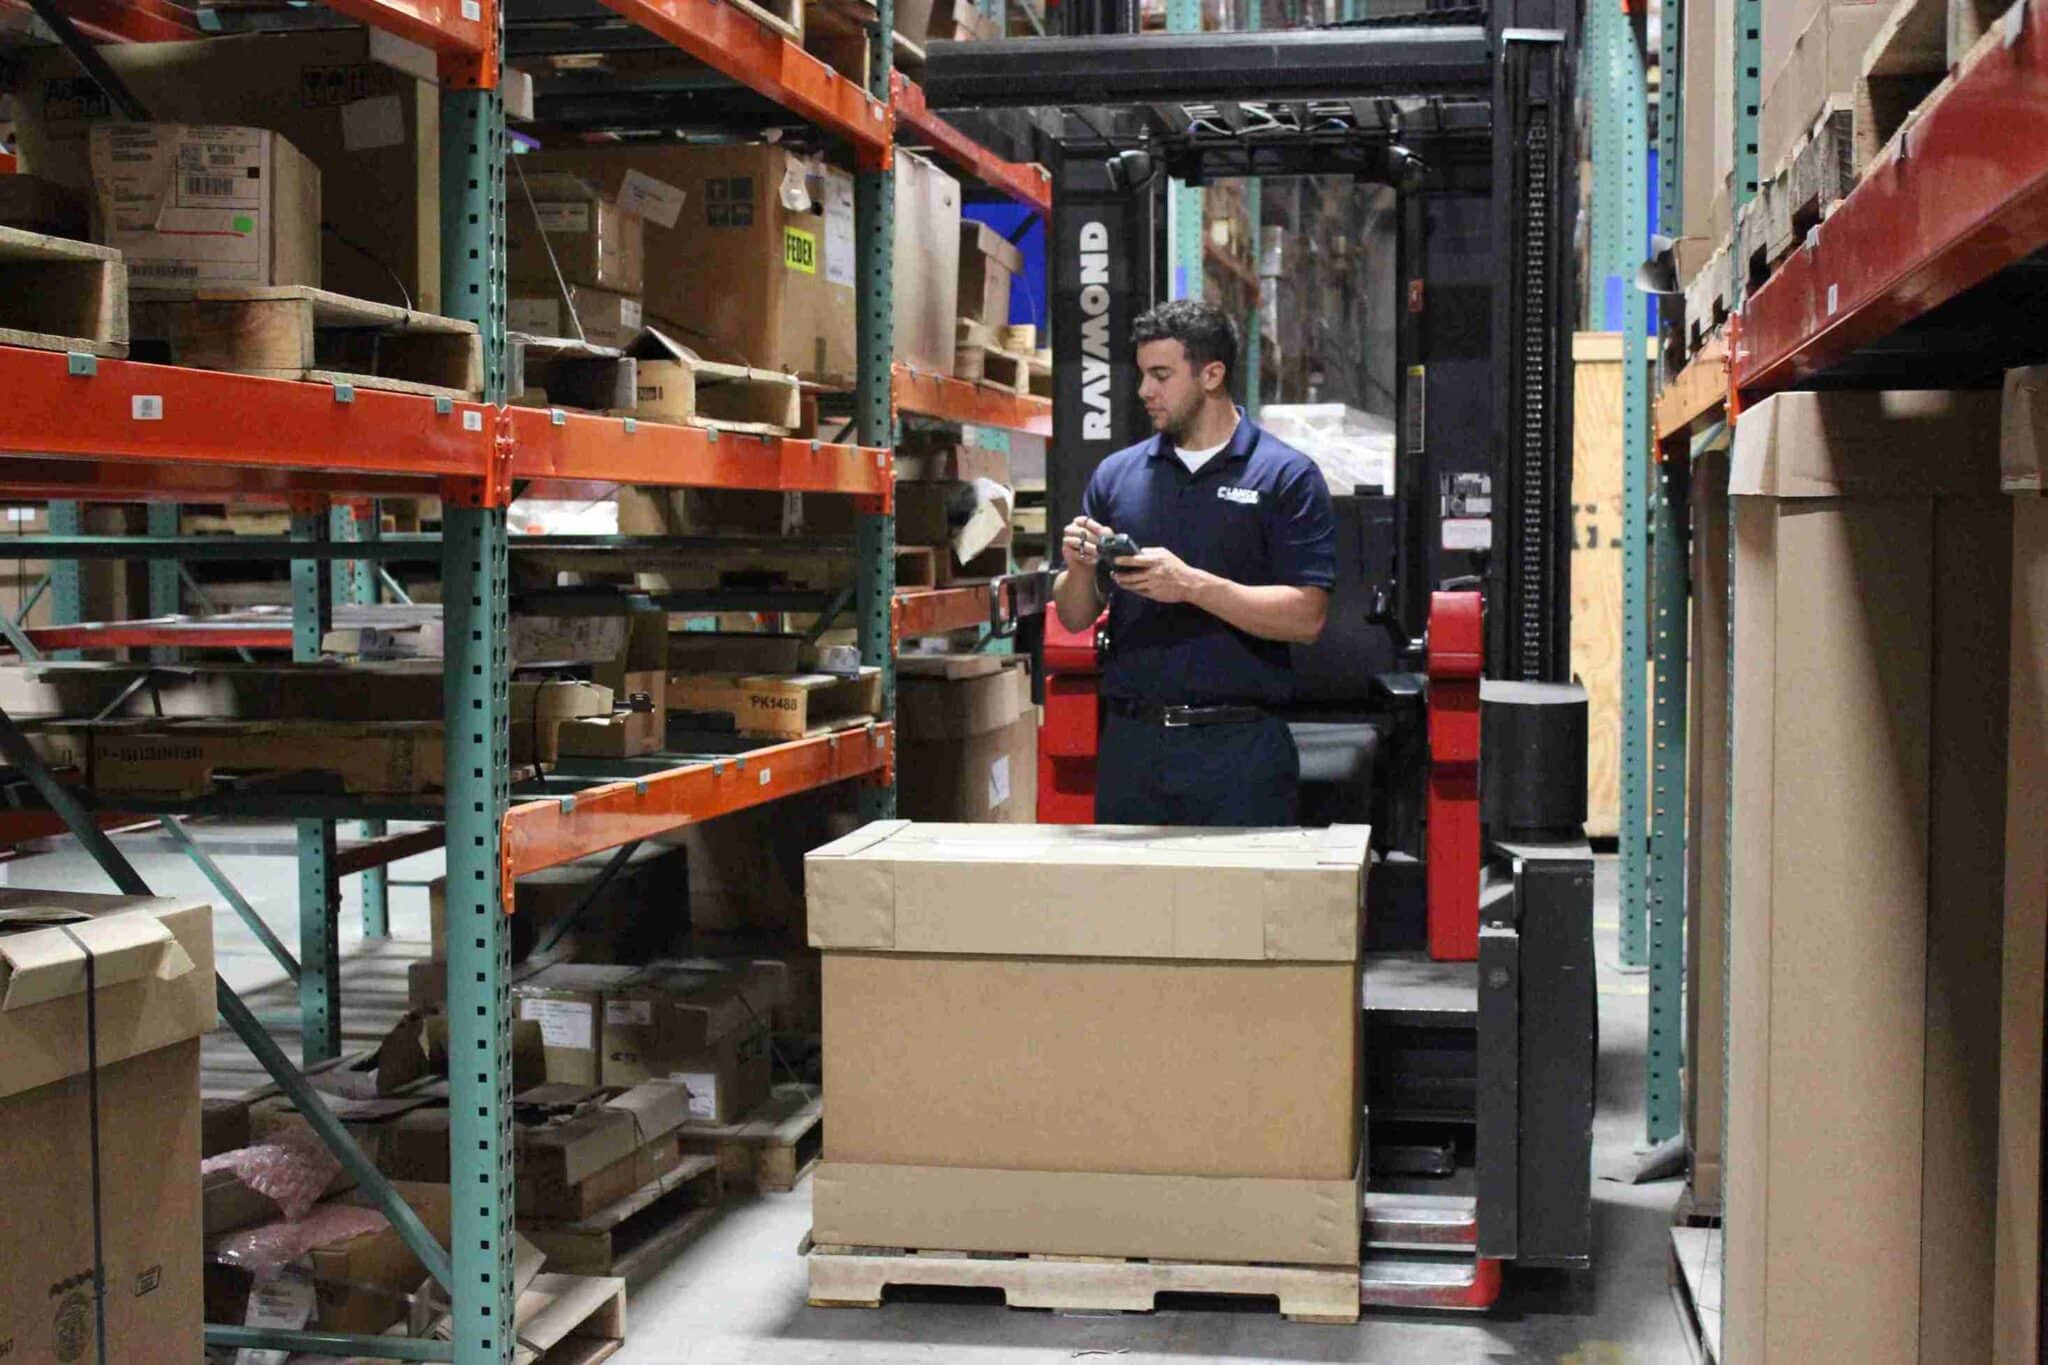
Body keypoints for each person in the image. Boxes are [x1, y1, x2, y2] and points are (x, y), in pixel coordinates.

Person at [1052, 298, 1337, 826]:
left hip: (1240, 751)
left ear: (1212, 374)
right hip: (1132, 748)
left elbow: (1307, 618)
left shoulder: (1285, 477)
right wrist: (1081, 568)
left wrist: (1191, 585)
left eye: (1161, 375)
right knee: (1129, 908)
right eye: (1142, 375)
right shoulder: (1117, 476)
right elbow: (1073, 616)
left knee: (1240, 908)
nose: (1144, 392)